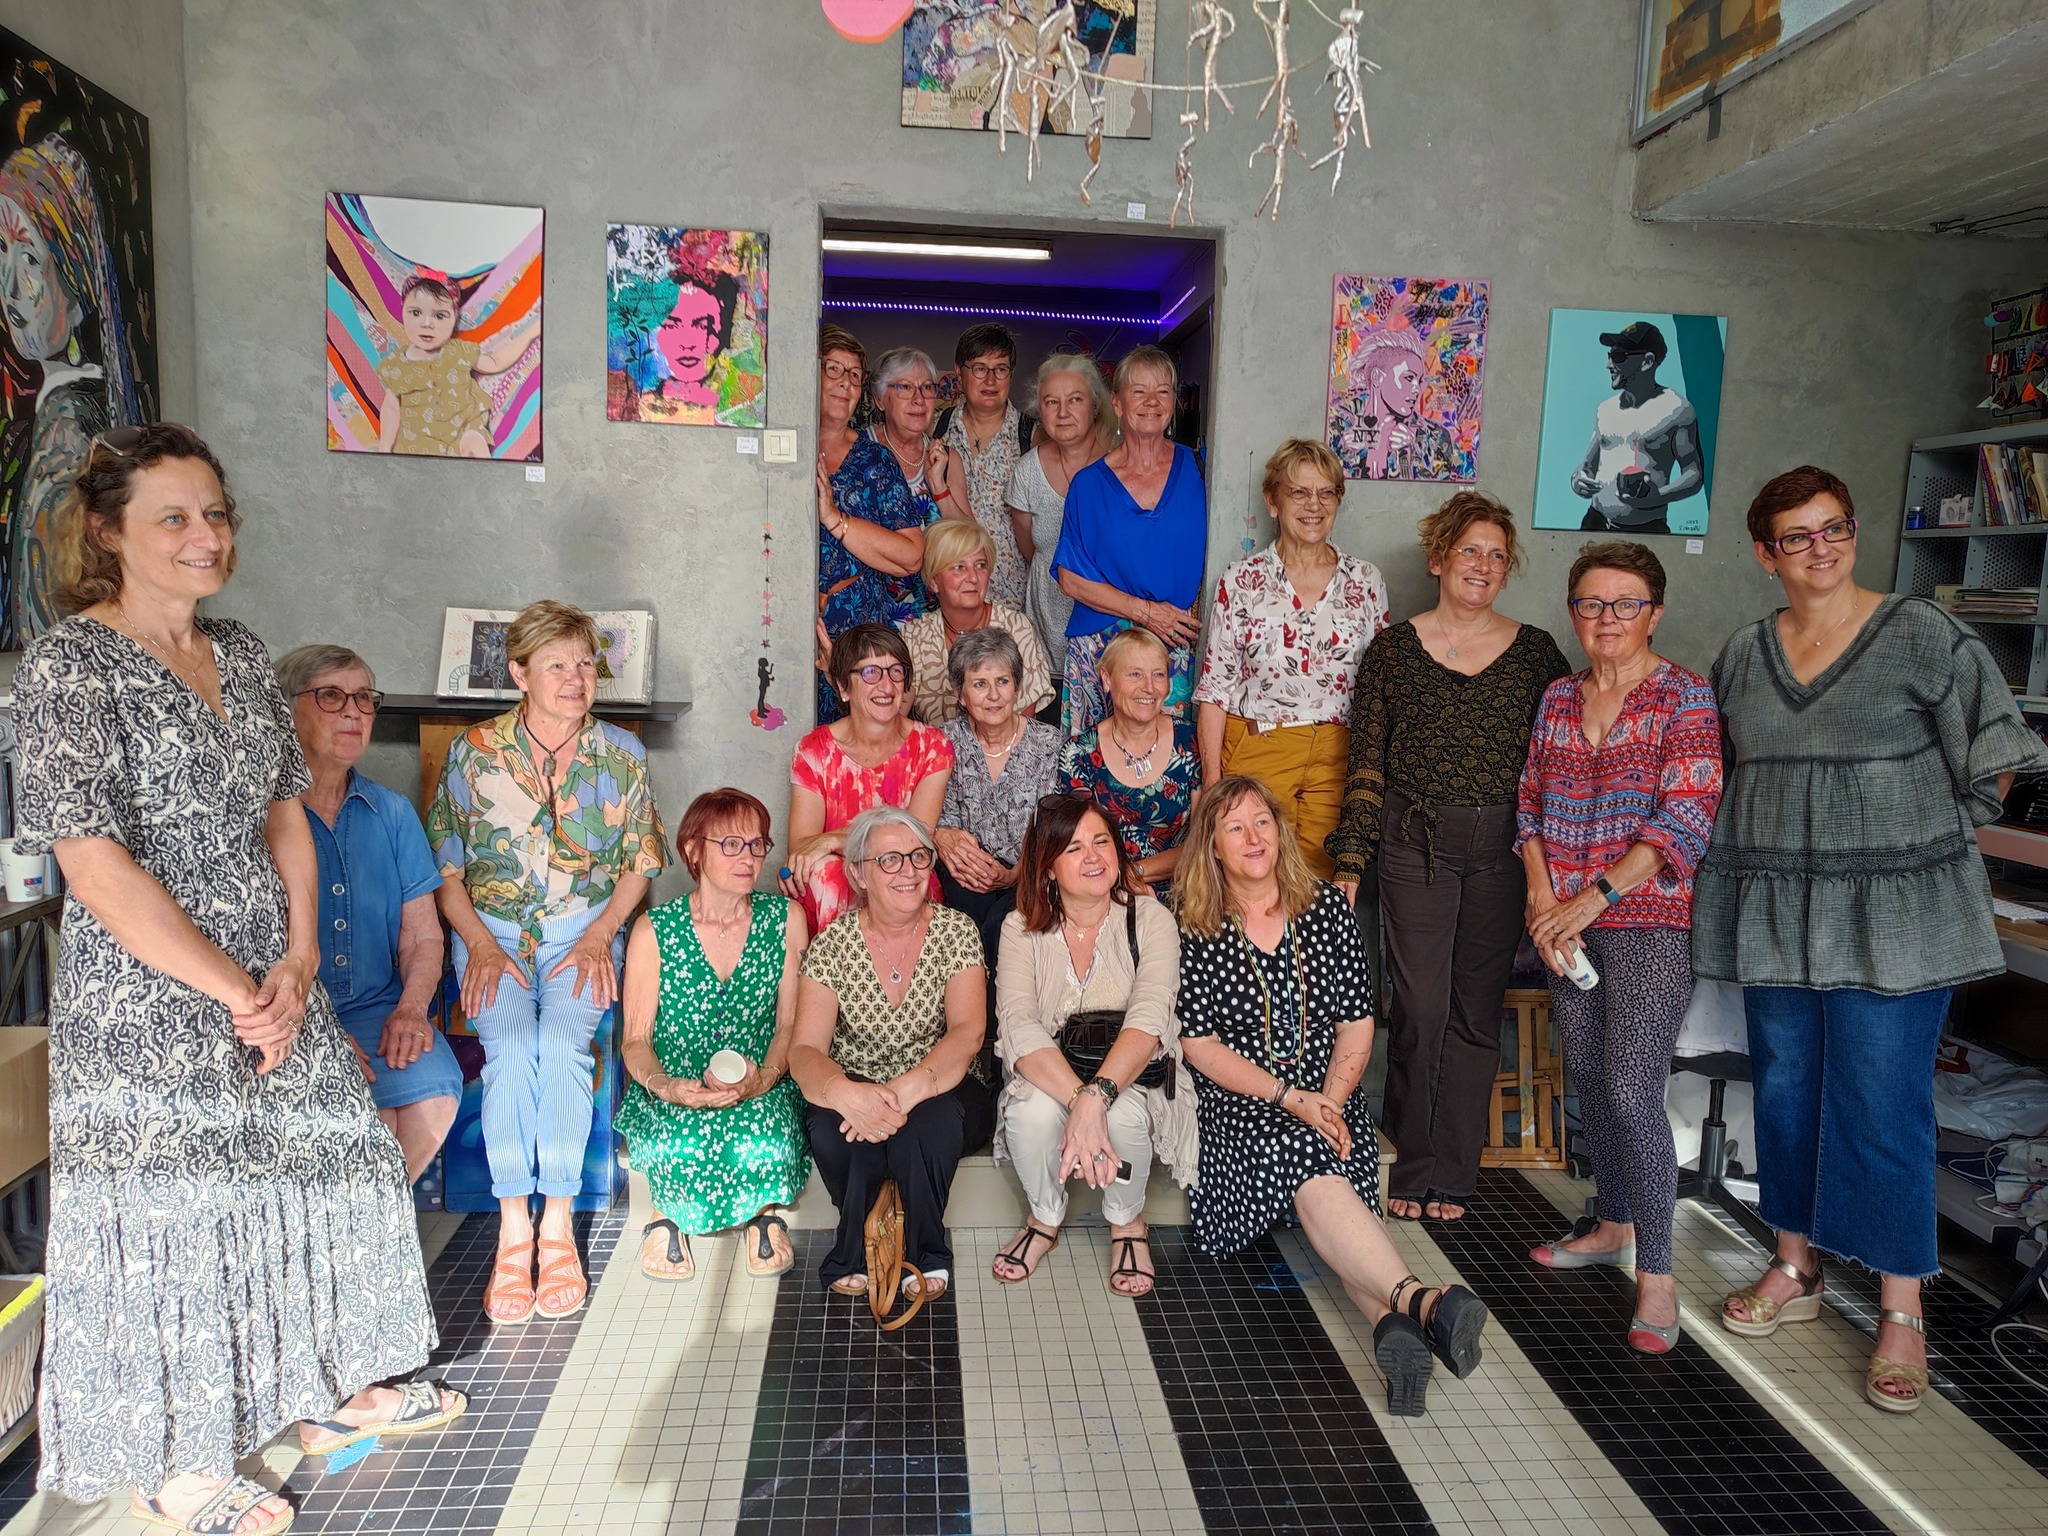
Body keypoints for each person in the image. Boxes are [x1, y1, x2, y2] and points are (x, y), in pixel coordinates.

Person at [16, 423, 460, 1529]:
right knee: (175, 1216)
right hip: (150, 998)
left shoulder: (244, 653)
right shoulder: (68, 666)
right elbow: (93, 865)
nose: (204, 535)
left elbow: (285, 814)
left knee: (337, 1160)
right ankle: (177, 1461)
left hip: (275, 975)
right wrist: (237, 989)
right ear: (106, 532)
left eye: (214, 513)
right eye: (173, 516)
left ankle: (332, 1391)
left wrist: (298, 961)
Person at [1697, 466, 2048, 1413]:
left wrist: (1920, 844)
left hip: (1897, 920)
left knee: (1884, 1102)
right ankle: (1795, 1264)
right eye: (1797, 535)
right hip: (1779, 914)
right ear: (1766, 554)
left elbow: (1998, 753)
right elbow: (1721, 776)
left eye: (1835, 527)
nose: (1821, 547)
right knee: (1785, 1089)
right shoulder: (1743, 655)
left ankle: (1901, 1308)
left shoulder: (1923, 633)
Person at [1176, 777, 1489, 1416]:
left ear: (1280, 829)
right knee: (1312, 1156)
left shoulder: (1325, 908)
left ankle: (1396, 1321)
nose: (1253, 838)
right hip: (1241, 1106)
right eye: (1235, 828)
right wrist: (1291, 1098)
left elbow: (1356, 1022)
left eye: (1262, 822)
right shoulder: (1193, 920)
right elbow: (1199, 1045)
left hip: (1328, 1096)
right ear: (1212, 846)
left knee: (1323, 1161)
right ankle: (1424, 1299)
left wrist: (1331, 1099)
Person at [1327, 491, 1570, 1222]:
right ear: (1438, 558)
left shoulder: (1537, 655)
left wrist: (1557, 875)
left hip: (1503, 851)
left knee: (1474, 1012)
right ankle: (1410, 1163)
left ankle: (1454, 1173)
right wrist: (1350, 862)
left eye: (1497, 555)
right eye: (1470, 550)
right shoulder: (1394, 651)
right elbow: (1367, 764)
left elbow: (1555, 766)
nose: (1483, 565)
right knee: (1420, 1009)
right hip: (1414, 846)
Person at [428, 599, 669, 1325]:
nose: (575, 678)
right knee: (511, 1045)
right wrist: (479, 943)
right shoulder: (474, 751)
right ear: (519, 673)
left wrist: (600, 937)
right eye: (557, 665)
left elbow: (640, 862)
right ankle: (514, 1229)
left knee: (560, 1043)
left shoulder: (621, 754)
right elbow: (445, 870)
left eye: (585, 664)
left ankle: (556, 1223)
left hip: (581, 934)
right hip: (492, 934)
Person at [1515, 542, 1722, 1355]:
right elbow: (1530, 801)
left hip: (1649, 925)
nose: (1608, 618)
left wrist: (1590, 898)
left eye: (1626, 603)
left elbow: (1685, 820)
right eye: (1591, 603)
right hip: (1565, 924)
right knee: (1593, 1082)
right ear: (1574, 612)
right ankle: (1610, 1222)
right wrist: (1543, 899)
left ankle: (1659, 1276)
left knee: (1634, 1091)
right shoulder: (1559, 697)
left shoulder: (1684, 696)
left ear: (1654, 612)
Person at [990, 794, 1196, 1295]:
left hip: (1132, 1071)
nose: (1093, 857)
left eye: (1102, 842)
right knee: (1029, 1113)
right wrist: (1081, 1099)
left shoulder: (1150, 919)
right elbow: (1018, 1024)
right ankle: (1044, 1216)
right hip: (1055, 1070)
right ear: (1048, 867)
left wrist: (1097, 1096)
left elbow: (1150, 1018)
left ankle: (1127, 1221)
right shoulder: (1020, 928)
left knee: (1122, 1115)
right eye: (1074, 848)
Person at [789, 806, 995, 1300]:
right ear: (858, 873)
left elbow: (968, 1032)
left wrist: (909, 1089)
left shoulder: (957, 931)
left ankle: (926, 1251)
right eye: (890, 860)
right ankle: (858, 1243)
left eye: (919, 857)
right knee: (839, 1131)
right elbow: (805, 1049)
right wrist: (844, 1093)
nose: (909, 871)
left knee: (927, 1127)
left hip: (943, 1081)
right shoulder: (833, 944)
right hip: (857, 1080)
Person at [279, 642, 461, 1184]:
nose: (354, 712)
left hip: (382, 1010)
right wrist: (318, 1031)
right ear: (284, 707)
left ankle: (375, 1224)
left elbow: (423, 938)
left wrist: (411, 1010)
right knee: (372, 1118)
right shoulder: (263, 815)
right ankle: (363, 1228)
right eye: (331, 696)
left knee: (434, 1095)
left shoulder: (393, 812)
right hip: (295, 1016)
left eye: (364, 698)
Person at [615, 789, 810, 1282]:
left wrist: (763, 1078)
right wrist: (667, 1087)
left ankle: (762, 1212)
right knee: (679, 1137)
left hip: (760, 1075)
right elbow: (635, 1040)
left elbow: (791, 1024)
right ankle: (666, 1213)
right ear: (693, 849)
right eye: (731, 844)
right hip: (676, 1079)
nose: (749, 858)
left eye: (757, 845)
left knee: (763, 1135)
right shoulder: (653, 930)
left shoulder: (786, 919)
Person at [1195, 438, 1389, 881]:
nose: (1313, 505)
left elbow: (1379, 693)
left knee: (1321, 887)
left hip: (1337, 754)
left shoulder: (1366, 581)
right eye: (1299, 492)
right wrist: (1212, 785)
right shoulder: (1241, 580)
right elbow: (1215, 689)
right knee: (1249, 877)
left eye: (1326, 492)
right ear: (1273, 501)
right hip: (1259, 747)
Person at [0, 134, 145, 646]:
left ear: (77, 278)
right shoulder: (79, 419)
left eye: (30, 259)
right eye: (1, 250)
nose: (9, 287)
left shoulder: (68, 438)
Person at [1051, 345, 1207, 737]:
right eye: (1139, 391)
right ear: (1117, 404)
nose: (1152, 401)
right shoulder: (1088, 485)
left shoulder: (1201, 468)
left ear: (1175, 402)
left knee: (1168, 761)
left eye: (1163, 391)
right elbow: (1070, 579)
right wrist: (1146, 612)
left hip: (1171, 644)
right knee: (1094, 763)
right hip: (1101, 648)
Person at [783, 624, 953, 934]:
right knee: (827, 873)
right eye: (870, 673)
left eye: (896, 672)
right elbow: (803, 847)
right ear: (843, 687)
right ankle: (835, 965)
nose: (886, 686)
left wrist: (833, 839)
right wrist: (835, 846)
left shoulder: (932, 746)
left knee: (903, 870)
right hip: (831, 881)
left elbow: (915, 838)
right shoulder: (813, 750)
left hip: (903, 870)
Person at [934, 626, 1065, 987]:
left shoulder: (1048, 743)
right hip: (967, 871)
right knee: (963, 921)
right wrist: (950, 844)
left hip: (1032, 869)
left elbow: (1052, 826)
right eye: (979, 684)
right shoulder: (943, 742)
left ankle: (1001, 1015)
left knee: (1003, 925)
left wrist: (1016, 874)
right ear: (960, 694)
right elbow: (942, 821)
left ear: (1017, 687)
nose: (993, 695)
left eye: (1003, 681)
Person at [815, 326, 924, 723]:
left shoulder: (875, 460)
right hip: (779, 621)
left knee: (856, 739)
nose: (845, 382)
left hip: (857, 629)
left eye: (855, 375)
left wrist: (836, 519)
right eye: (833, 369)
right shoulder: (782, 449)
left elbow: (910, 556)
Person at [1062, 627, 1201, 897]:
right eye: (1135, 674)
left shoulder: (1190, 742)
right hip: (1102, 890)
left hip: (1184, 890)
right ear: (1107, 679)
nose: (1149, 687)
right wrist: (1118, 882)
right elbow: (1076, 845)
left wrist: (1133, 873)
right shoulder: (1079, 753)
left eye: (1158, 674)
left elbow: (1205, 840)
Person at [1008, 352, 1115, 695]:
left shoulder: (1120, 465)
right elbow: (1031, 548)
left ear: (1095, 406)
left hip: (1106, 622)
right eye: (1051, 402)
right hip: (1045, 619)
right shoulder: (1027, 471)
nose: (1063, 412)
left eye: (1075, 400)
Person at [897, 517, 1054, 724]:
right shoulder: (914, 637)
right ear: (934, 581)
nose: (973, 577)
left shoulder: (1016, 627)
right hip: (933, 744)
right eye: (958, 567)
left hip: (1007, 744)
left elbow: (1024, 724)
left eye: (980, 565)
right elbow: (896, 717)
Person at [375, 270, 538, 459]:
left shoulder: (459, 351)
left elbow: (495, 362)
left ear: (455, 318)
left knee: (473, 442)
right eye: (416, 313)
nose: (427, 324)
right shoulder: (396, 363)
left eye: (439, 316)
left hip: (463, 430)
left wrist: (529, 334)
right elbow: (391, 408)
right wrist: (385, 446)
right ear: (403, 312)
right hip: (418, 440)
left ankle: (481, 468)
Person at [933, 320, 1034, 608]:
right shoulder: (935, 430)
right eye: (979, 368)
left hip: (1012, 604)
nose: (990, 380)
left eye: (1000, 369)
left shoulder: (1031, 436)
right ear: (959, 373)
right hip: (946, 602)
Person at [1569, 320, 1703, 536]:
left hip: (1645, 528)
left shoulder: (1677, 409)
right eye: (1609, 355)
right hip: (1595, 520)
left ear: (1647, 362)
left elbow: (1694, 474)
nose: (1608, 365)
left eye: (1618, 356)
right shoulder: (1605, 409)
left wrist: (1659, 497)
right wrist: (1577, 480)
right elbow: (1586, 467)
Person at [1332, 328, 1456, 482]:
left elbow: (1439, 490)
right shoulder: (1337, 426)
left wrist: (1410, 452)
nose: (1417, 389)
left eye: (1419, 381)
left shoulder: (1436, 437)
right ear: (1377, 377)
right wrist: (1346, 450)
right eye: (1408, 378)